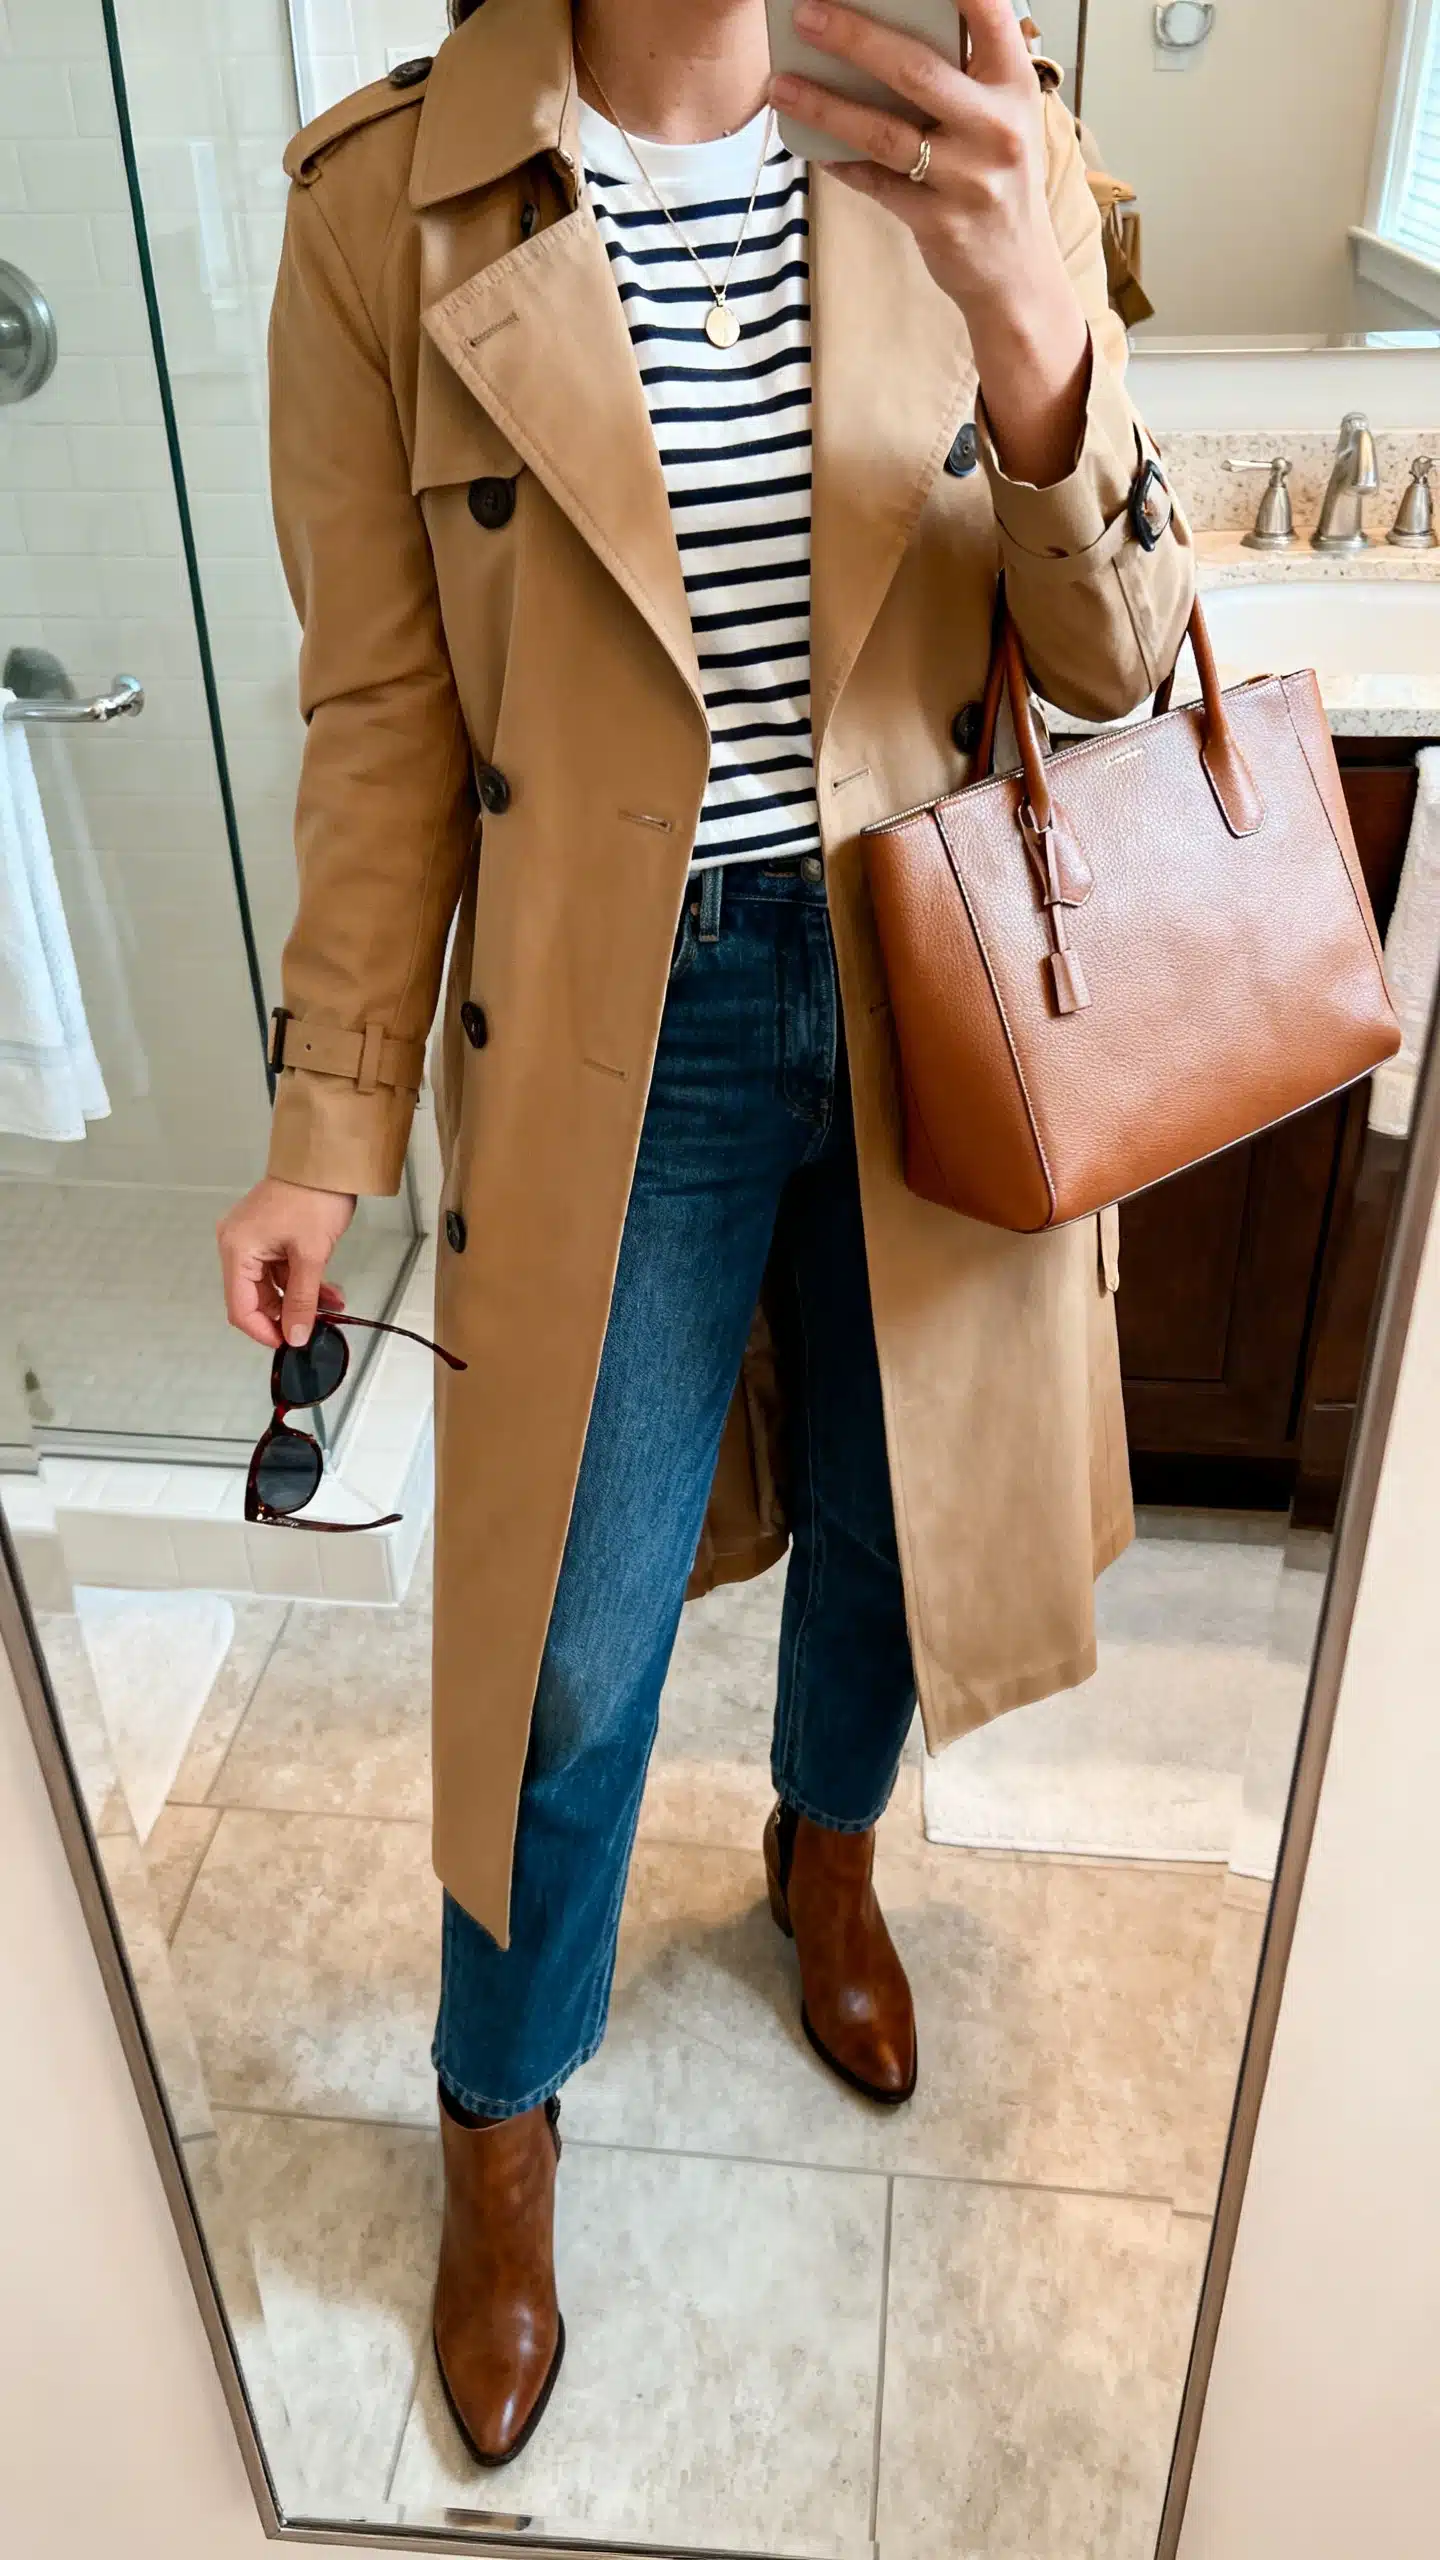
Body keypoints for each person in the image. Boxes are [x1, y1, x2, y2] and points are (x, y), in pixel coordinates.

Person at [218, 0, 1193, 2467]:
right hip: (598, 1031)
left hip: (919, 978)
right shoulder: (378, 211)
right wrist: (327, 1116)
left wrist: (1044, 337)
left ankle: (825, 1857)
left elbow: (1116, 662)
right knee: (562, 1629)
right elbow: (377, 723)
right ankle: (501, 2102)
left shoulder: (976, 139)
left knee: (902, 1530)